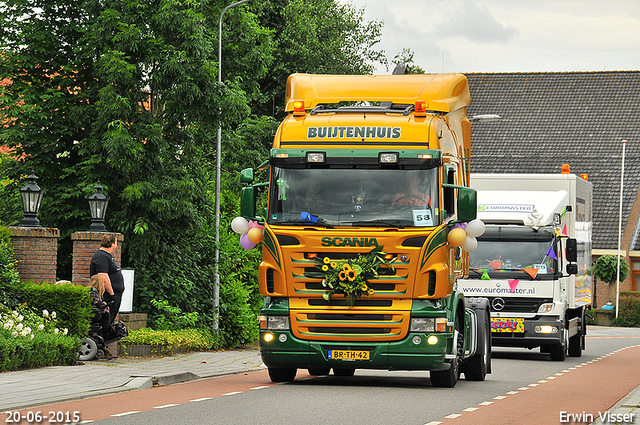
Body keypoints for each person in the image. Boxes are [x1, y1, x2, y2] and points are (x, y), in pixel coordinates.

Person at [90, 233, 124, 324]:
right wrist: (112, 294)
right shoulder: (101, 256)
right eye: (116, 242)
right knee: (106, 320)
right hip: (108, 295)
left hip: (114, 294)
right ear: (112, 244)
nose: (116, 245)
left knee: (110, 320)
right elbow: (103, 277)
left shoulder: (106, 256)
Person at [88, 274, 112, 338]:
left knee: (106, 312)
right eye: (103, 282)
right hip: (93, 313)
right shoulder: (92, 290)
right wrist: (104, 305)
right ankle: (106, 334)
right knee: (106, 313)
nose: (104, 284)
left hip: (93, 311)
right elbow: (96, 303)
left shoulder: (93, 290)